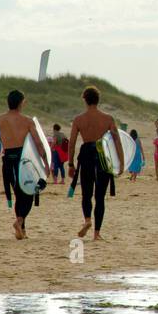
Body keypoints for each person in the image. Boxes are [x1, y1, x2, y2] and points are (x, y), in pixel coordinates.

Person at [66, 85, 123, 241]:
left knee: (86, 193)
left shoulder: (79, 119)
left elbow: (71, 143)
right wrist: (121, 163)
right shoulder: (108, 119)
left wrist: (70, 164)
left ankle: (87, 220)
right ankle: (96, 234)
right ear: (98, 100)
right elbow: (117, 141)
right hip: (103, 155)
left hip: (85, 155)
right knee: (100, 196)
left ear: (85, 100)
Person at [0, 90, 40, 240]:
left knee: (18, 195)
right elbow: (37, 142)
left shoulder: (1, 119)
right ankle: (19, 222)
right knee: (28, 194)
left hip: (8, 159)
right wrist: (44, 161)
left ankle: (22, 231)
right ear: (21, 102)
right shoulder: (27, 121)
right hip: (23, 160)